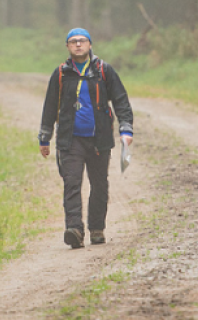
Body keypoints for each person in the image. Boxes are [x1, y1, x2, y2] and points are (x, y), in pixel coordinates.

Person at [38, 27, 134, 248]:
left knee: (99, 185)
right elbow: (50, 107)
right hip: (70, 141)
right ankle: (74, 230)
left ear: (90, 45)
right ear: (68, 47)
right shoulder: (61, 74)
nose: (78, 44)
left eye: (82, 41)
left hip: (99, 140)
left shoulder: (104, 71)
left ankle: (97, 228)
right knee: (72, 183)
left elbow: (121, 102)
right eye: (73, 41)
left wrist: (126, 130)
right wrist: (45, 138)